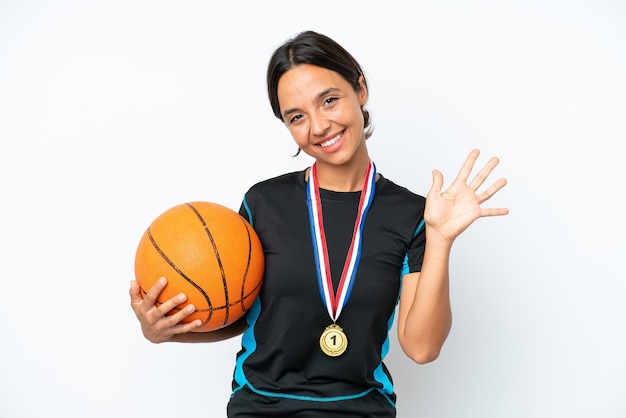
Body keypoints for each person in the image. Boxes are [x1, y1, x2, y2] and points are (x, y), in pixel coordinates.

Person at [129, 30, 509, 417]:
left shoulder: (414, 214)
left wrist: (441, 239)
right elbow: (237, 311)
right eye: (297, 117)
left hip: (361, 409)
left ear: (360, 89)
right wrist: (164, 331)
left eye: (329, 101)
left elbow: (422, 347)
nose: (319, 126)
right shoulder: (262, 204)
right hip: (261, 406)